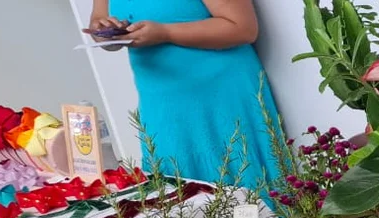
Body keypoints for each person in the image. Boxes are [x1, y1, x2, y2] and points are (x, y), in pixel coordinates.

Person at [84, 0, 282, 191]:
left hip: (219, 95)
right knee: (182, 199)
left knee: (243, 187)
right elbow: (99, 20)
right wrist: (105, 32)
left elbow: (243, 28)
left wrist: (166, 33)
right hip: (160, 99)